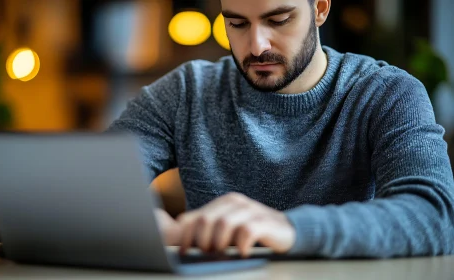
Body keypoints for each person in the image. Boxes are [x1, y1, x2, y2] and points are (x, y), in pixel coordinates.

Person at [107, 0, 454, 258]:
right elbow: (89, 185)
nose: (257, 46)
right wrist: (150, 227)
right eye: (237, 24)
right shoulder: (185, 94)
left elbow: (434, 217)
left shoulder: (386, 93)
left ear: (319, 8)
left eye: (278, 20)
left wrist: (289, 229)